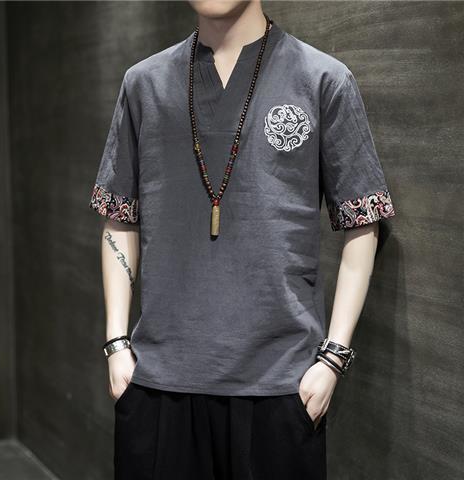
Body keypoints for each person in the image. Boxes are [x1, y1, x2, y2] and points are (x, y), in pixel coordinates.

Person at [89, 1, 396, 479]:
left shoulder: (321, 79)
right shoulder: (144, 84)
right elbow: (119, 216)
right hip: (158, 383)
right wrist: (116, 343)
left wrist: (333, 358)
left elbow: (363, 222)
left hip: (281, 387)